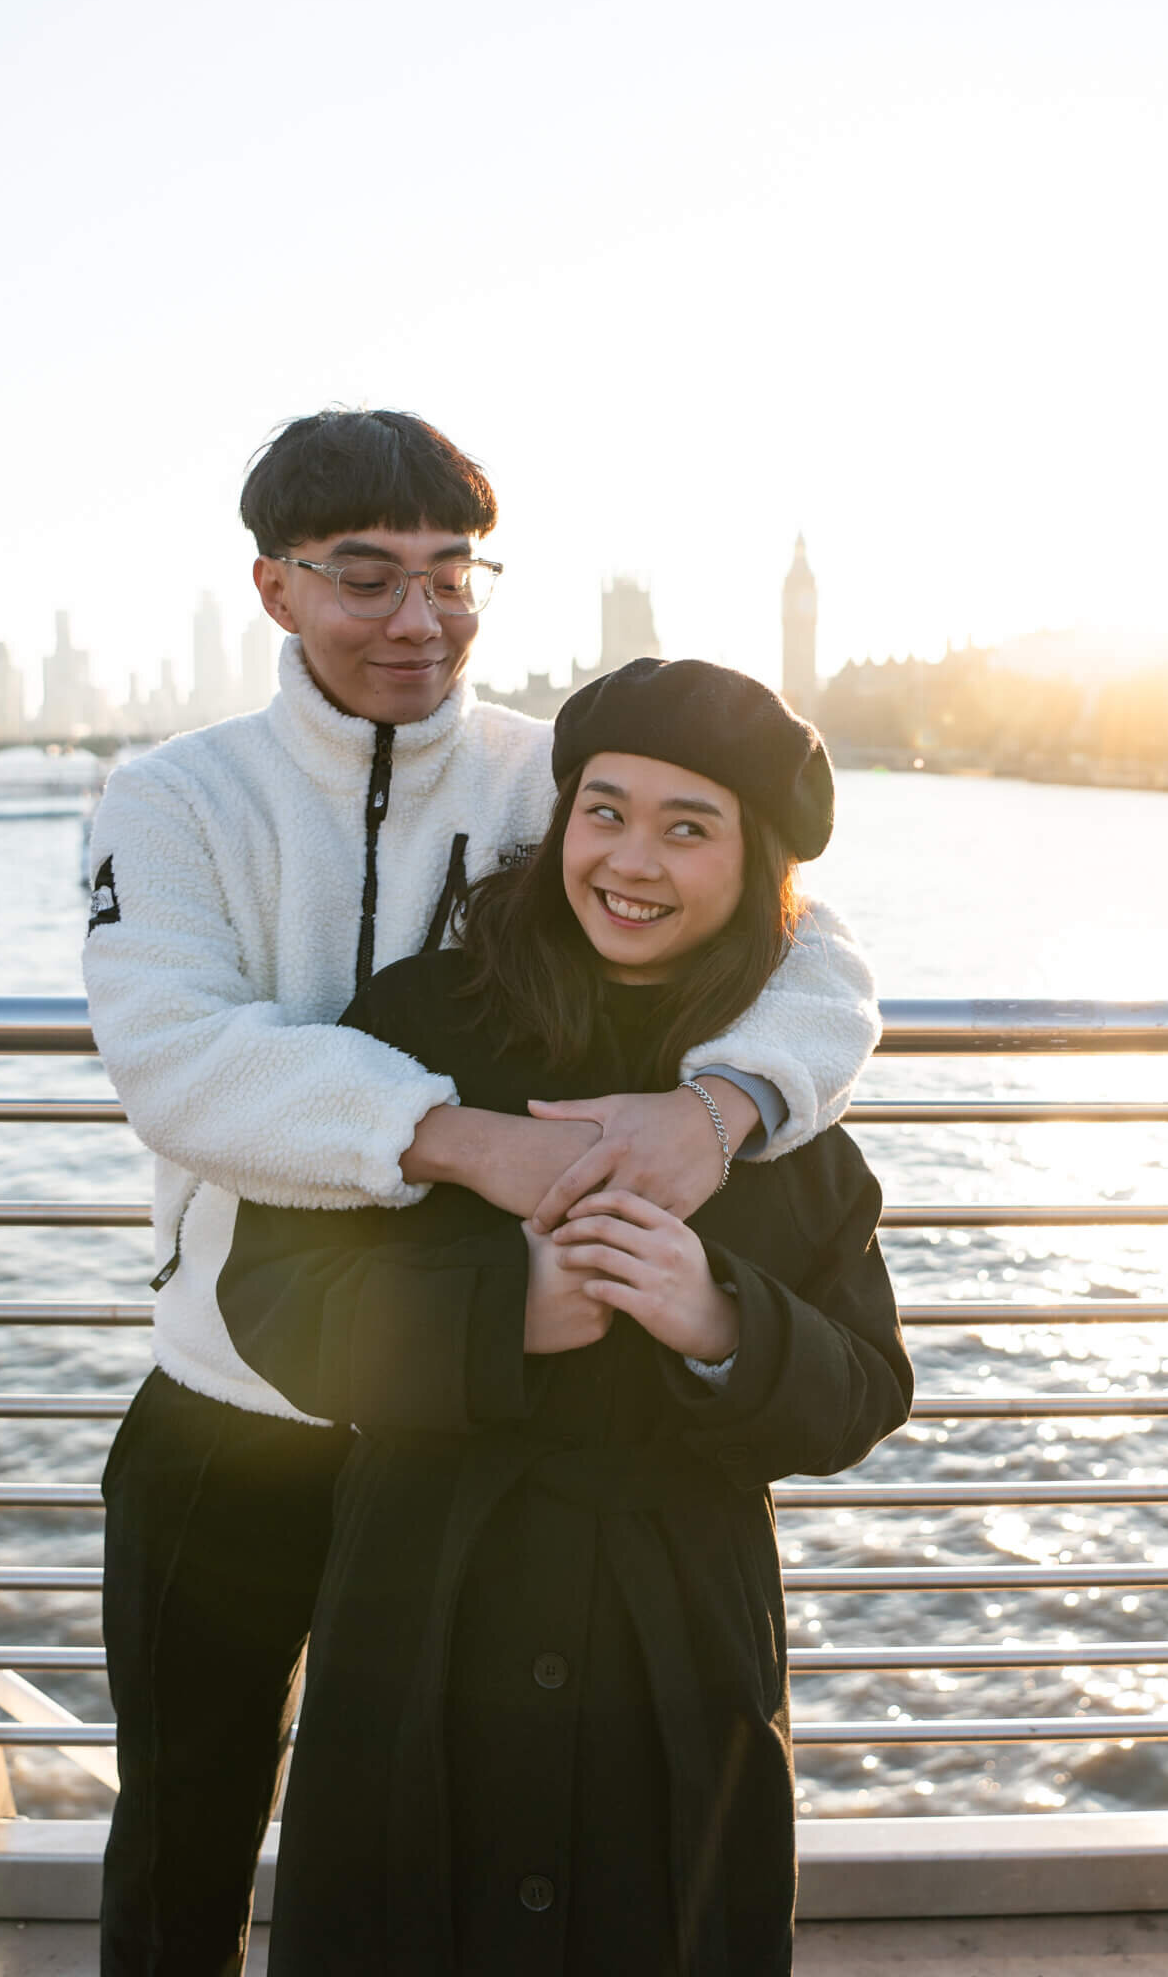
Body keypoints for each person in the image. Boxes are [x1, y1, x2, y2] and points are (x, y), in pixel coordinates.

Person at [82, 411, 883, 1977]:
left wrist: (721, 1108)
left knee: (432, 1860)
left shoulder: (555, 780)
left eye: (453, 574)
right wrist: (461, 1133)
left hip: (470, 1445)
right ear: (274, 589)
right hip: (233, 1405)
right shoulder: (173, 801)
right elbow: (175, 1062)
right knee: (180, 1838)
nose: (418, 617)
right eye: (364, 577)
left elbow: (812, 947)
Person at [216, 656, 912, 1976]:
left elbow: (865, 1390)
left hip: (675, 1646)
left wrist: (720, 1323)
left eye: (687, 826)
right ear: (561, 821)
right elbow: (270, 1299)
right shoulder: (417, 1024)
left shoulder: (777, 1098)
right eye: (606, 810)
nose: (632, 860)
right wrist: (503, 1315)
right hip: (427, 1609)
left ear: (755, 864)